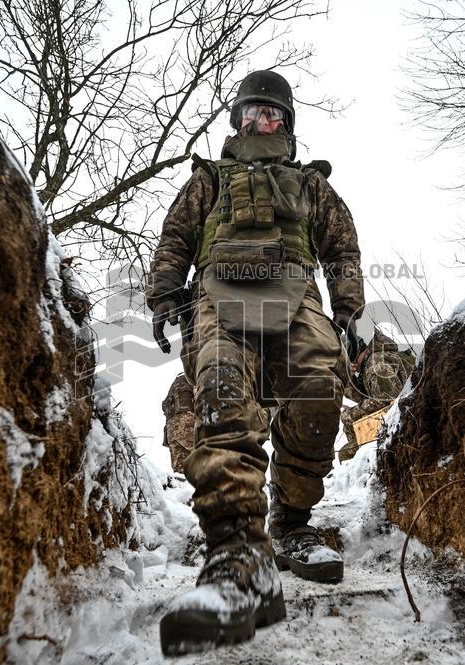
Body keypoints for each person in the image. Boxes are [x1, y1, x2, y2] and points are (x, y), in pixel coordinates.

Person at [145, 70, 365, 655]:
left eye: (271, 113)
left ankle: (291, 523)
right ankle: (239, 559)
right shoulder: (209, 180)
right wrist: (164, 293)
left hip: (297, 295)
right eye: (251, 111)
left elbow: (342, 248)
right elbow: (175, 238)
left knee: (320, 387)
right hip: (218, 295)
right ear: (238, 119)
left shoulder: (311, 185)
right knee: (221, 394)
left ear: (286, 124)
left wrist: (348, 309)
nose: (260, 120)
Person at [339, 327, 415, 462]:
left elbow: (386, 400)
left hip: (407, 420)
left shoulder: (376, 362)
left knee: (346, 453)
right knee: (348, 424)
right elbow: (367, 397)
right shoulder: (370, 363)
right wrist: (348, 380)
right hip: (398, 418)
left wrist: (351, 413)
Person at [161, 372, 196, 473]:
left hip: (171, 431)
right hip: (188, 426)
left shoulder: (175, 384)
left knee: (180, 469)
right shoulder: (193, 379)